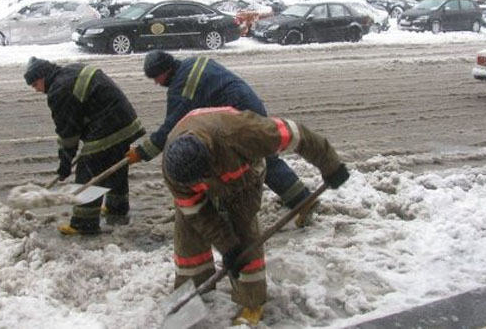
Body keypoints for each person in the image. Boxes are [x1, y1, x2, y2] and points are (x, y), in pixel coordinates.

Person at [161, 106, 349, 325]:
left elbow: (297, 134)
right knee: (188, 232)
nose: (201, 186)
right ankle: (194, 288)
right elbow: (197, 212)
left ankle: (251, 301)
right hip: (203, 162)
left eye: (202, 179)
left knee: (244, 232)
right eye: (195, 184)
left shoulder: (242, 133)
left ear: (209, 161)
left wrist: (331, 164)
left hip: (242, 177)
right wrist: (227, 245)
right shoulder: (174, 171)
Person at [126, 50, 315, 226]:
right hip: (249, 106)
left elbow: (171, 129)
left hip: (238, 119)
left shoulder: (182, 88)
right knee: (265, 158)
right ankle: (297, 196)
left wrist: (141, 152)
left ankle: (303, 201)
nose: (156, 83)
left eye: (156, 77)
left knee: (261, 160)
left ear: (165, 70)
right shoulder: (193, 62)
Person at [24, 57, 145, 235]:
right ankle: (117, 207)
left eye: (35, 84)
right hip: (124, 120)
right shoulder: (71, 70)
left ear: (43, 76)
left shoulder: (58, 91)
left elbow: (68, 133)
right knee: (113, 164)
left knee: (88, 170)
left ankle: (84, 223)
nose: (36, 89)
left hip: (108, 125)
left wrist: (65, 164)